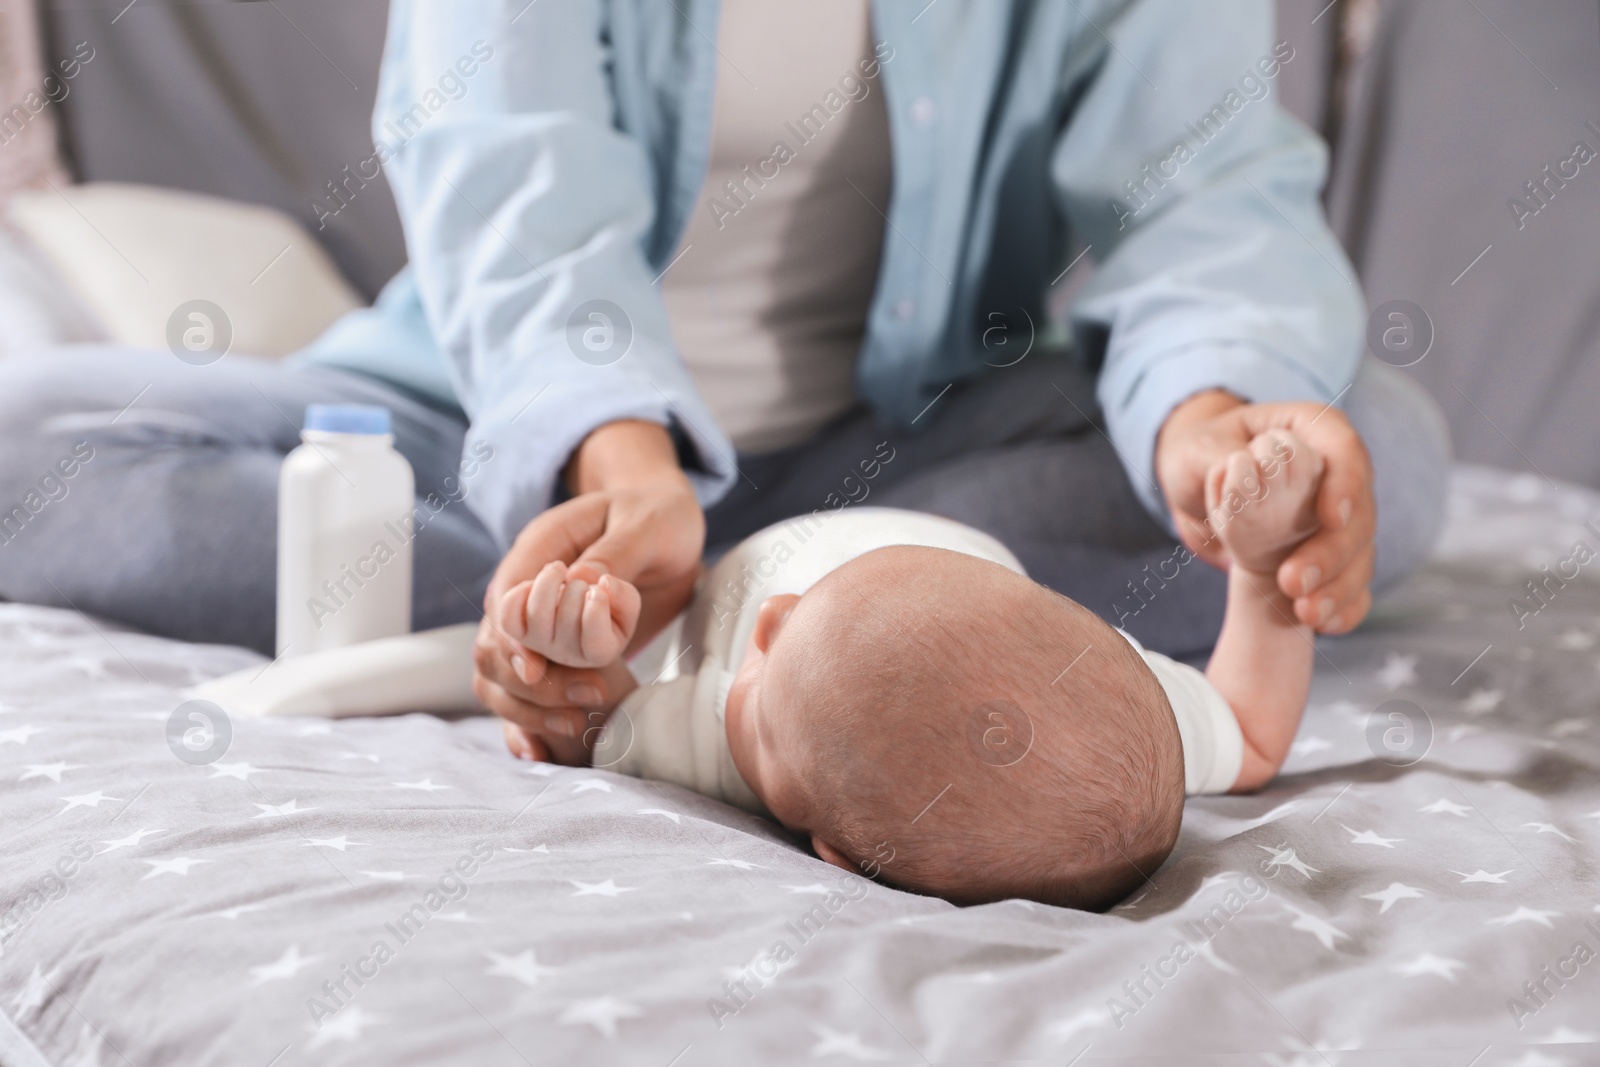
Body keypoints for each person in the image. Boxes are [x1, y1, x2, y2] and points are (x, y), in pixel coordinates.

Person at [0, 0, 1449, 769]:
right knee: (38, 438)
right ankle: (783, 621)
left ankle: (660, 631)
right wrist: (620, 469)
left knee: (1373, 444)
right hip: (518, 429)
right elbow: (511, 173)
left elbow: (1202, 189)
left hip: (905, 443)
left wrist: (1214, 429)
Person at [495, 428, 1324, 908]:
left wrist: (578, 647)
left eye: (761, 711)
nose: (772, 622)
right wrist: (1265, 576)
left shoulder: (724, 744)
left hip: (718, 567)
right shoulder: (1132, 712)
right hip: (914, 502)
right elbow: (1250, 733)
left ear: (838, 856)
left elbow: (600, 721)